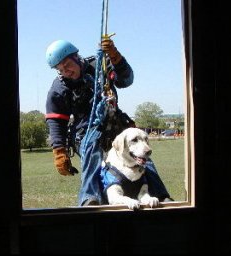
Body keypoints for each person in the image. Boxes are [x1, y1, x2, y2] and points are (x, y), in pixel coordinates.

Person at [45, 38, 172, 206]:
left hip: (115, 123)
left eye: (67, 64)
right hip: (86, 129)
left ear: (76, 57)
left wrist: (115, 58)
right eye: (60, 69)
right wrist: (59, 151)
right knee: (92, 150)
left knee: (140, 151)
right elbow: (56, 121)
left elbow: (125, 80)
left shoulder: (101, 65)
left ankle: (161, 195)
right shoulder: (59, 88)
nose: (66, 71)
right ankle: (90, 198)